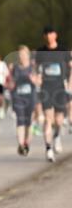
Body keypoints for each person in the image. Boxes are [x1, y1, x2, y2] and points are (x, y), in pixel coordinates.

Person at [35, 26, 71, 162]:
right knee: (48, 119)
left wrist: (70, 83)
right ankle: (48, 148)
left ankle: (57, 136)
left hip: (60, 87)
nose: (49, 36)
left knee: (59, 119)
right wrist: (37, 81)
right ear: (44, 36)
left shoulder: (63, 50)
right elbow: (36, 69)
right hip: (46, 88)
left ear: (55, 35)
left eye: (51, 33)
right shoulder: (40, 52)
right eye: (46, 34)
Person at [7, 46, 38, 157]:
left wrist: (32, 79)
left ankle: (26, 143)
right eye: (20, 55)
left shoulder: (33, 67)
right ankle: (20, 144)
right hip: (18, 98)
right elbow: (10, 85)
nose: (22, 57)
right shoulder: (14, 68)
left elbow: (38, 82)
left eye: (24, 54)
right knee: (20, 121)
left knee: (29, 123)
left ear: (28, 55)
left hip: (31, 98)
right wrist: (11, 81)